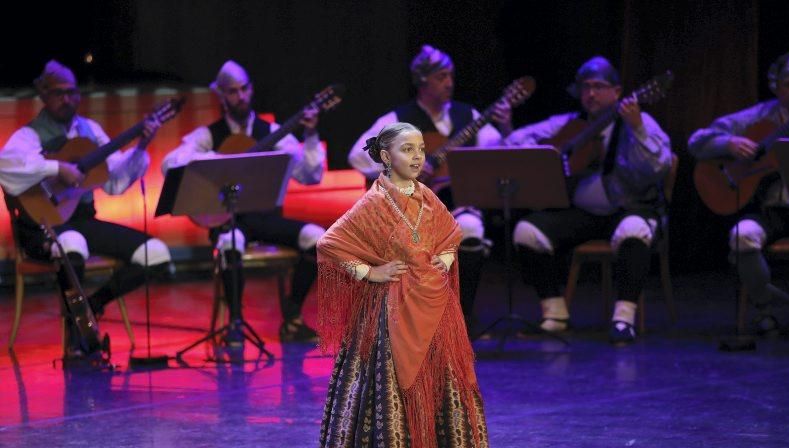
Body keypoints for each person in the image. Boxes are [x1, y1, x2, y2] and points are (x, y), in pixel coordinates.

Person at [316, 123, 490, 448]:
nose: (416, 157)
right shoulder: (374, 203)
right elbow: (330, 242)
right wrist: (370, 272)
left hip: (432, 308)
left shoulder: (427, 197)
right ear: (384, 156)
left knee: (434, 391)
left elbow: (450, 235)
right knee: (393, 397)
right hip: (390, 316)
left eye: (421, 149)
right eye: (407, 150)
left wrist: (441, 261)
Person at [0, 60, 170, 361]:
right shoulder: (30, 136)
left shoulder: (90, 131)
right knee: (72, 243)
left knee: (156, 254)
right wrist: (56, 167)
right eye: (59, 93)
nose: (68, 99)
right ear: (44, 94)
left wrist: (142, 144)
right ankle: (78, 336)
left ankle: (91, 306)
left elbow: (114, 182)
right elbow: (6, 166)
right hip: (43, 228)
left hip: (83, 221)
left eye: (73, 92)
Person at [505, 56, 672, 344]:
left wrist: (637, 128)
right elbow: (515, 141)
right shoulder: (570, 123)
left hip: (629, 208)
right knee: (527, 232)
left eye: (598, 86)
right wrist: (547, 151)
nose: (590, 94)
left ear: (617, 92)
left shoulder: (638, 122)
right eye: (585, 87)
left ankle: (623, 318)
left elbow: (660, 165)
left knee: (633, 230)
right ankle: (555, 311)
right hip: (583, 214)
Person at [348, 44, 512, 331]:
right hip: (412, 207)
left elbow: (500, 152)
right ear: (423, 82)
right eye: (441, 76)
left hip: (456, 202)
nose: (449, 82)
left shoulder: (468, 115)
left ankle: (462, 317)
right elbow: (358, 154)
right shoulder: (398, 119)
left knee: (472, 229)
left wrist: (507, 125)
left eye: (450, 75)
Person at [162, 60, 326, 343]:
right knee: (230, 243)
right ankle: (235, 323)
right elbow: (170, 164)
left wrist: (310, 134)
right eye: (233, 91)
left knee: (320, 240)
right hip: (230, 221)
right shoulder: (208, 135)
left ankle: (293, 315)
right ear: (222, 96)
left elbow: (310, 176)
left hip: (267, 218)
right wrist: (219, 162)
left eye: (244, 89)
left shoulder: (272, 132)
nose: (241, 96)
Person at [689, 49, 789, 337]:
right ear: (777, 87)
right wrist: (729, 144)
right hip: (769, 210)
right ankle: (764, 310)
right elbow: (697, 141)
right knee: (742, 236)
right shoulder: (759, 116)